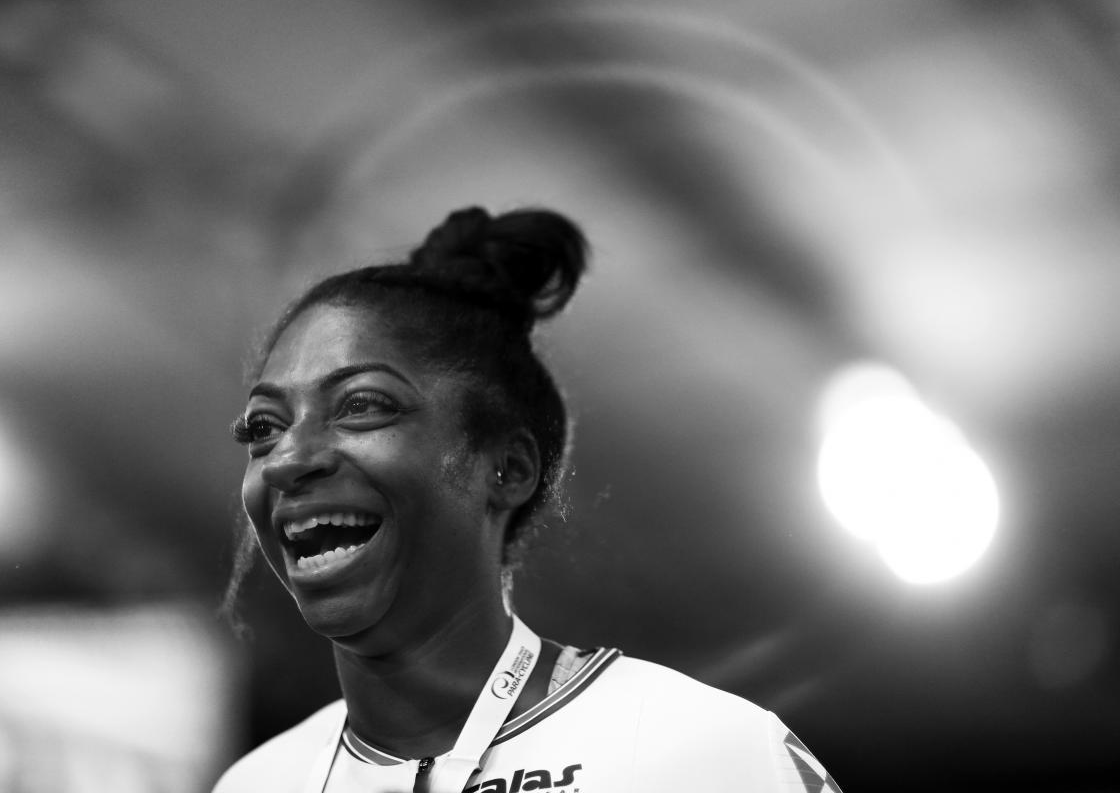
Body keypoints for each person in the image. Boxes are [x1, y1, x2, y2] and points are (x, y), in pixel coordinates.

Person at [214, 206, 842, 793]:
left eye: (360, 407)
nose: (289, 461)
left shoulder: (701, 752)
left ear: (508, 469)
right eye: (263, 428)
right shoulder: (258, 783)